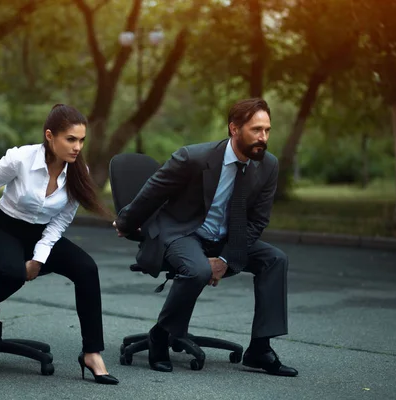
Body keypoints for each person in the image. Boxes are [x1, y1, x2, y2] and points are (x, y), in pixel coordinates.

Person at [0, 104, 119, 385]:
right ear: (50, 136)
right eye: (71, 139)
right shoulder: (20, 159)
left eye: (81, 140)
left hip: (42, 234)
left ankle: (92, 352)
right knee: (12, 272)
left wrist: (39, 258)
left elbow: (61, 222)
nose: (77, 147)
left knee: (87, 269)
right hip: (3, 229)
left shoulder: (80, 171)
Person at [113, 98, 298, 377]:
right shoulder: (193, 158)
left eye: (267, 130)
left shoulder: (268, 166)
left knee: (275, 259)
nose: (263, 138)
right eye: (256, 130)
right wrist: (127, 222)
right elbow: (153, 191)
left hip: (225, 238)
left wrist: (226, 258)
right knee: (197, 269)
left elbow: (258, 220)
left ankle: (259, 348)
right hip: (183, 231)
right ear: (234, 129)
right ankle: (160, 335)